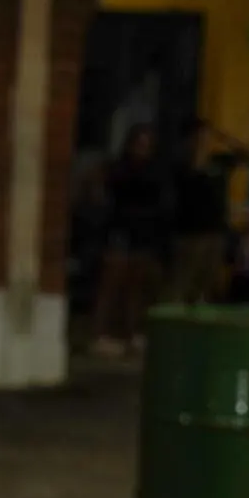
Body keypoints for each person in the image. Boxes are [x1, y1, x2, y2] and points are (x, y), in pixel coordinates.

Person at [91, 124, 166, 358]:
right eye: (139, 144)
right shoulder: (118, 169)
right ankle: (101, 334)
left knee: (136, 288)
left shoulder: (153, 171)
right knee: (112, 284)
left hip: (143, 234)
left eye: (147, 145)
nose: (142, 150)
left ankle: (131, 333)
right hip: (120, 231)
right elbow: (105, 196)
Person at [167, 119, 241, 305]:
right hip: (190, 233)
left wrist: (224, 138)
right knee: (183, 282)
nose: (203, 140)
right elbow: (187, 181)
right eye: (199, 136)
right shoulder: (181, 164)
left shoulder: (219, 161)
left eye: (206, 136)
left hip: (216, 231)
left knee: (207, 283)